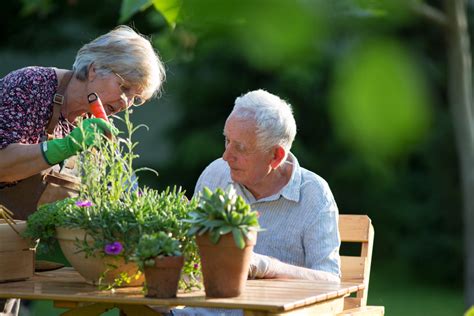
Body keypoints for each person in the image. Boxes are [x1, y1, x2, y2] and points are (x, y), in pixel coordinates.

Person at [0, 25, 165, 316]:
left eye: (135, 98)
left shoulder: (98, 129)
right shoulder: (30, 86)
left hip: (19, 263)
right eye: (124, 88)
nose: (127, 103)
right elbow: (3, 165)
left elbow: (122, 194)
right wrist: (64, 147)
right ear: (93, 70)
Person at [175, 89, 340, 316]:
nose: (226, 156)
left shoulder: (314, 194)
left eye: (240, 147)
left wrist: (267, 267)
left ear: (276, 156)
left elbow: (330, 281)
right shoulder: (216, 174)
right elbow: (190, 254)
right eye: (227, 140)